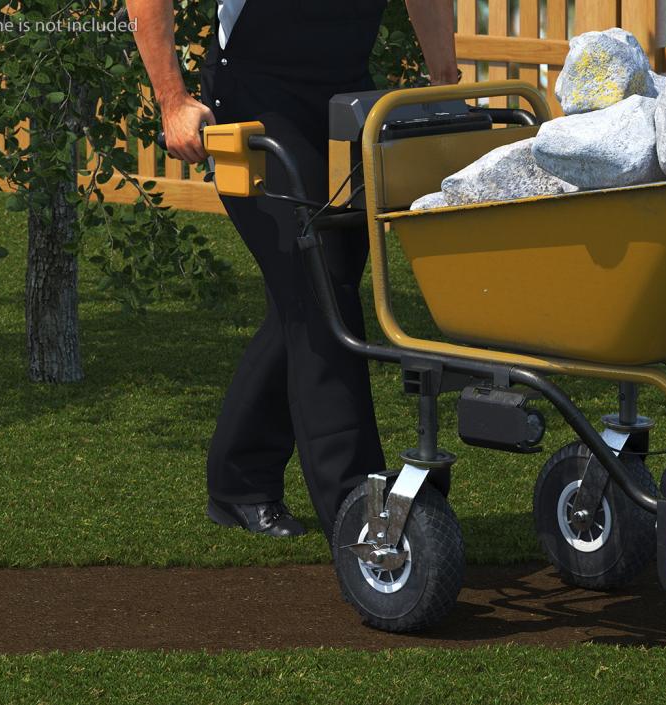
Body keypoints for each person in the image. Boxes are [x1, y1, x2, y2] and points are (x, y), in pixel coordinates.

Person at [128, 0, 458, 540]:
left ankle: (240, 478)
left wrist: (444, 75)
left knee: (315, 293)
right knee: (318, 287)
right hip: (257, 99)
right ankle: (358, 508)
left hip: (347, 97)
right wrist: (172, 101)